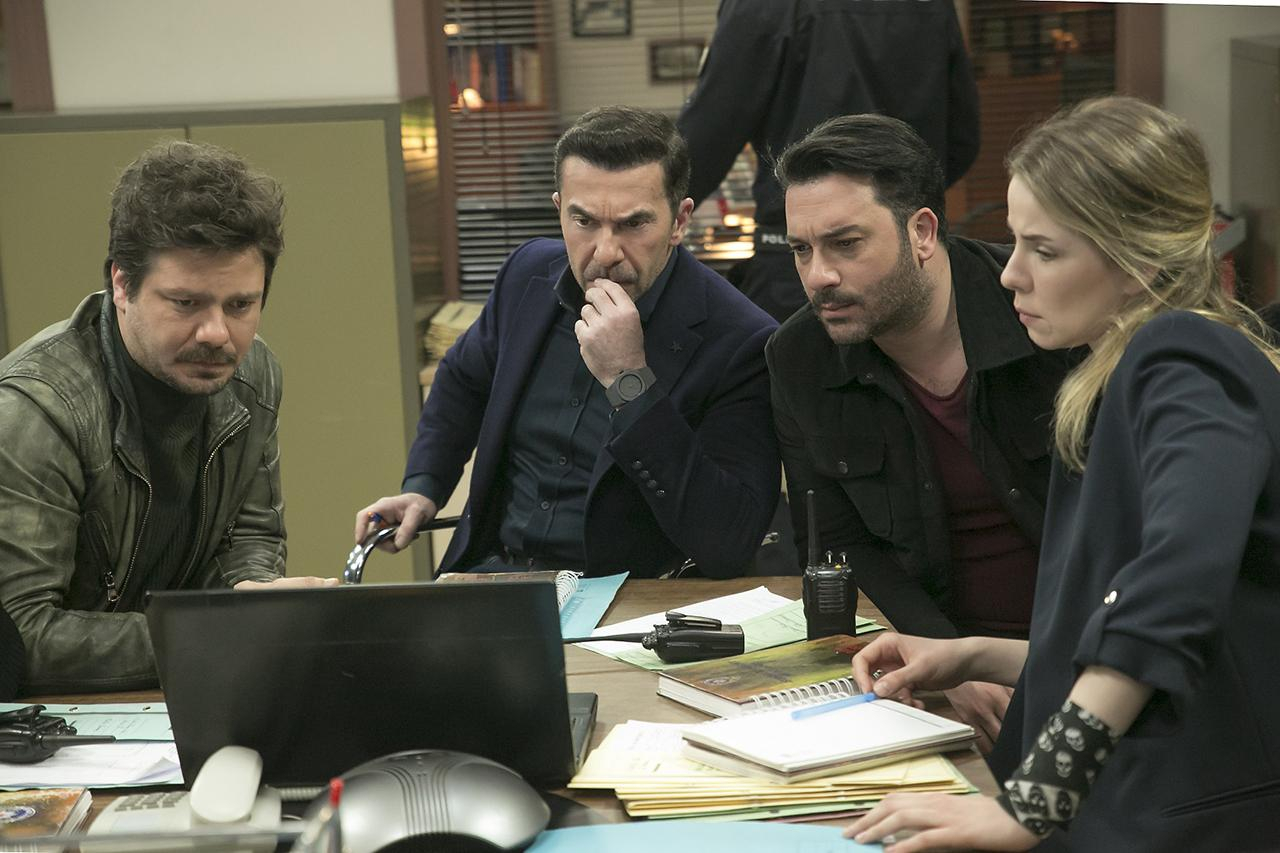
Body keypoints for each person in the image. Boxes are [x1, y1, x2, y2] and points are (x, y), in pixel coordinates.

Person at [844, 96, 1280, 851]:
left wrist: (1030, 805)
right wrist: (970, 654)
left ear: (1139, 260)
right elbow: (1140, 639)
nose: (1010, 275)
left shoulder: (1183, 359)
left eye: (1044, 251)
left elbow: (1172, 592)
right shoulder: (1126, 372)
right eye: (1014, 243)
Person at [766, 114, 1080, 755]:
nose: (819, 275)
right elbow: (839, 544)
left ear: (922, 232)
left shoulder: (1045, 313)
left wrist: (1010, 665)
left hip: (1092, 651)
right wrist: (946, 661)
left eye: (845, 244)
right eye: (801, 249)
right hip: (929, 666)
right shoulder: (799, 358)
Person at [357, 107, 779, 579]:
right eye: (584, 221)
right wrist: (424, 485)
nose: (605, 252)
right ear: (559, 209)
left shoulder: (740, 338)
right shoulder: (527, 275)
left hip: (630, 596)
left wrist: (629, 380)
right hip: (493, 575)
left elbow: (728, 540)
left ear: (679, 221)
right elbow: (463, 379)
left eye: (633, 224)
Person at [0, 140, 332, 695]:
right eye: (185, 303)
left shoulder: (252, 376)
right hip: (62, 712)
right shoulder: (35, 411)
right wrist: (222, 631)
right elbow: (23, 637)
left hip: (181, 681)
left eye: (240, 305)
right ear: (121, 284)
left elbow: (251, 533)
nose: (217, 334)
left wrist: (254, 598)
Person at [676, 0, 980, 323]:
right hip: (913, 252)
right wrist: (898, 208)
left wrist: (661, 210)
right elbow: (962, 138)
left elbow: (709, 136)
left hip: (804, 261)